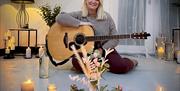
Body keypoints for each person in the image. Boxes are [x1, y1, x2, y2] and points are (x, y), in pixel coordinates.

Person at [56, 0, 138, 74]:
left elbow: (115, 38)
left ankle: (131, 61)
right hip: (87, 51)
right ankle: (100, 65)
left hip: (105, 49)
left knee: (121, 67)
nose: (93, 1)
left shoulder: (107, 17)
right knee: (76, 61)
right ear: (86, 1)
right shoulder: (79, 15)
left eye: (97, 0)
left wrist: (102, 50)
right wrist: (81, 23)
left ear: (100, 2)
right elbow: (59, 17)